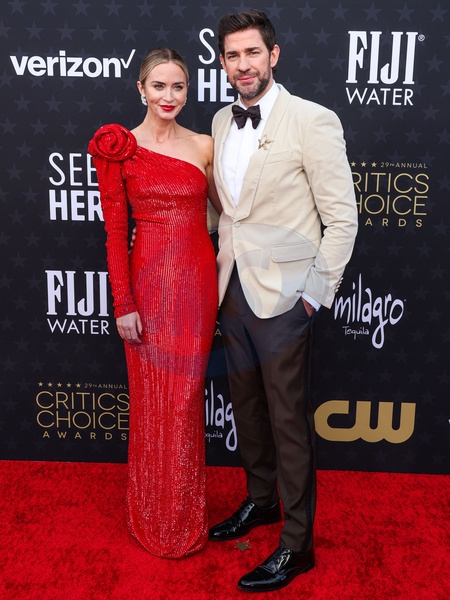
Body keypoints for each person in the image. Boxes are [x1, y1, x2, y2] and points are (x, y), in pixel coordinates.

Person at [208, 10, 358, 592]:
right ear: (223, 63)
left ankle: (298, 545)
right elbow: (227, 211)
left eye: (252, 53)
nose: (242, 65)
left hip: (287, 300)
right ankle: (261, 499)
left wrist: (314, 297)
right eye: (232, 55)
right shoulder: (220, 120)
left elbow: (342, 219)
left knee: (288, 421)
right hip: (232, 291)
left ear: (274, 55)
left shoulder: (312, 120)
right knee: (247, 410)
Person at [88, 48, 220, 559]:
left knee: (184, 400)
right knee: (150, 402)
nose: (169, 96)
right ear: (140, 89)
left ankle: (183, 517)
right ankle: (151, 515)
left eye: (178, 86)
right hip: (146, 287)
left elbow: (230, 215)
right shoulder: (119, 148)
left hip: (197, 283)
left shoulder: (204, 145)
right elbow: (114, 232)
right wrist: (123, 302)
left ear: (188, 90)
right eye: (159, 86)